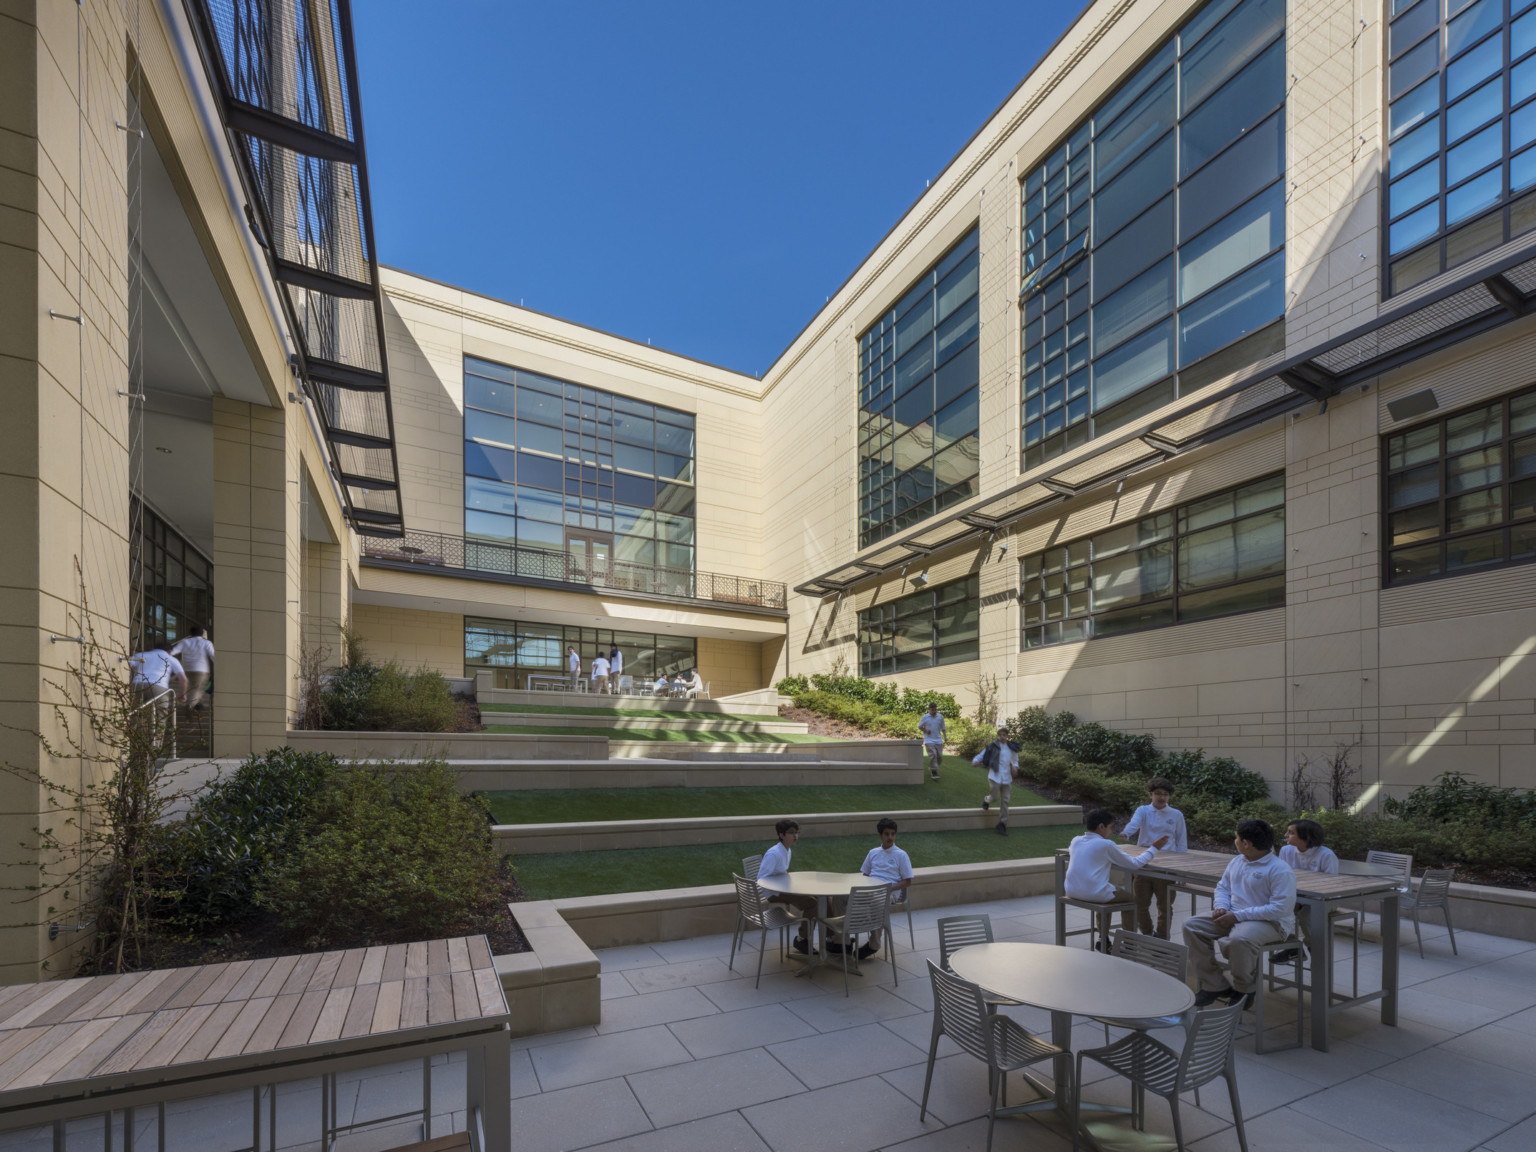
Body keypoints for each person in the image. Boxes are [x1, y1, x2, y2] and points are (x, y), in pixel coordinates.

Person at [1183, 819, 1297, 1009]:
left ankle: (1245, 989)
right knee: (1191, 925)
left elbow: (1280, 908)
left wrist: (1237, 916)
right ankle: (1214, 984)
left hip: (1271, 923)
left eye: (1236, 837)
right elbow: (1223, 887)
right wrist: (1221, 906)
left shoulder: (1280, 870)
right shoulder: (1238, 860)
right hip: (1234, 914)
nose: (1234, 840)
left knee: (1239, 939)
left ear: (1246, 843)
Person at [1066, 809, 1170, 945]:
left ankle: (1103, 939)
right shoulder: (1106, 844)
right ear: (1101, 826)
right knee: (1132, 900)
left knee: (1109, 892)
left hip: (1072, 890)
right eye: (1110, 827)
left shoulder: (1076, 841)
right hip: (1093, 893)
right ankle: (1129, 942)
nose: (1111, 831)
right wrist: (1154, 848)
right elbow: (1134, 864)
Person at [1121, 777, 1187, 939]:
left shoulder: (1176, 814)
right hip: (1144, 862)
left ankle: (1163, 938)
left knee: (1165, 906)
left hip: (1167, 864)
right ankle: (1148, 933)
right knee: (1140, 904)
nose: (1162, 797)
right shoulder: (1143, 810)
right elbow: (1134, 823)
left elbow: (1181, 840)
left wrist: (1182, 869)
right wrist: (1126, 833)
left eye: (1165, 794)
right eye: (1158, 793)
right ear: (1150, 794)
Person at [1277, 818, 1338, 959]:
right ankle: (1291, 945)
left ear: (1306, 837)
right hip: (1295, 897)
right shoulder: (1286, 851)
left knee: (1307, 915)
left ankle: (1316, 951)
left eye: (1291, 832)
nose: (1286, 835)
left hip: (1323, 899)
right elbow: (1281, 878)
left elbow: (1332, 886)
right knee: (1273, 908)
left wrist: (1302, 901)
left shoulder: (1326, 855)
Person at [758, 819, 816, 954]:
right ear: (781, 835)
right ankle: (802, 939)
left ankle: (832, 939)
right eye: (791, 833)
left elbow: (781, 872)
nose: (795, 836)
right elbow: (761, 879)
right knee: (812, 903)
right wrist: (785, 887)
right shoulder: (774, 853)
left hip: (783, 888)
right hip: (774, 893)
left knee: (820, 898)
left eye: (796, 833)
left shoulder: (787, 850)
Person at [857, 818, 912, 959]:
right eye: (887, 834)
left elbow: (907, 881)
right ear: (880, 835)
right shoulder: (873, 852)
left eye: (893, 834)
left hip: (888, 892)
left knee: (877, 901)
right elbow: (865, 875)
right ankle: (840, 942)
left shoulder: (901, 855)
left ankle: (873, 944)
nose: (890, 837)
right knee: (841, 899)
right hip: (870, 889)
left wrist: (890, 888)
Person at [127, 642, 187, 755]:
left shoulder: (141, 655)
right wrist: (182, 694)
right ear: (170, 651)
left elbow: (129, 666)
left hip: (137, 685)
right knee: (160, 717)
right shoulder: (170, 658)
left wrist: (131, 682)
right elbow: (183, 679)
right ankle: (155, 749)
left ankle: (130, 744)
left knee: (135, 714)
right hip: (159, 687)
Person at [973, 727, 1020, 835]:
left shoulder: (1012, 748)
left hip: (1007, 778)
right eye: (1000, 735)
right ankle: (986, 800)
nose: (1002, 737)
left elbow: (1015, 760)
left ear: (1007, 736)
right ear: (997, 736)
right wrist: (975, 760)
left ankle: (1002, 824)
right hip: (995, 776)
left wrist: (1015, 767)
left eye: (1004, 735)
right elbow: (982, 755)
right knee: (994, 797)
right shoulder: (992, 746)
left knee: (1005, 801)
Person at [170, 626, 214, 711]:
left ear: (191, 634)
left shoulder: (185, 642)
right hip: (201, 670)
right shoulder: (206, 643)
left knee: (191, 688)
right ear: (202, 634)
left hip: (186, 669)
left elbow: (173, 652)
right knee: (198, 688)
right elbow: (213, 655)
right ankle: (191, 706)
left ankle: (197, 706)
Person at [917, 703, 945, 781]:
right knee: (933, 755)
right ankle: (934, 771)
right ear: (929, 709)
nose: (934, 711)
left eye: (935, 709)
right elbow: (919, 726)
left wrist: (945, 737)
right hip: (929, 740)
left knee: (939, 757)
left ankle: (933, 766)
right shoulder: (925, 717)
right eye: (932, 709)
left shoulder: (940, 717)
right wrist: (925, 731)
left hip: (938, 739)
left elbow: (943, 728)